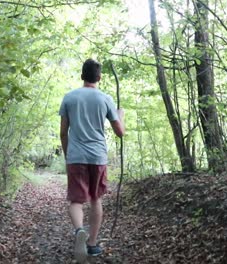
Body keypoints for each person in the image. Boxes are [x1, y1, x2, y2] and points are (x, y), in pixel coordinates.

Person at [59, 58, 125, 262]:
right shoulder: (105, 99)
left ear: (82, 76)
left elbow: (63, 132)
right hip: (97, 156)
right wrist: (121, 115)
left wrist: (68, 153)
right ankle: (92, 244)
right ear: (100, 77)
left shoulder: (69, 97)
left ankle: (80, 230)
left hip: (76, 155)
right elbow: (120, 132)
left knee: (76, 200)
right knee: (96, 199)